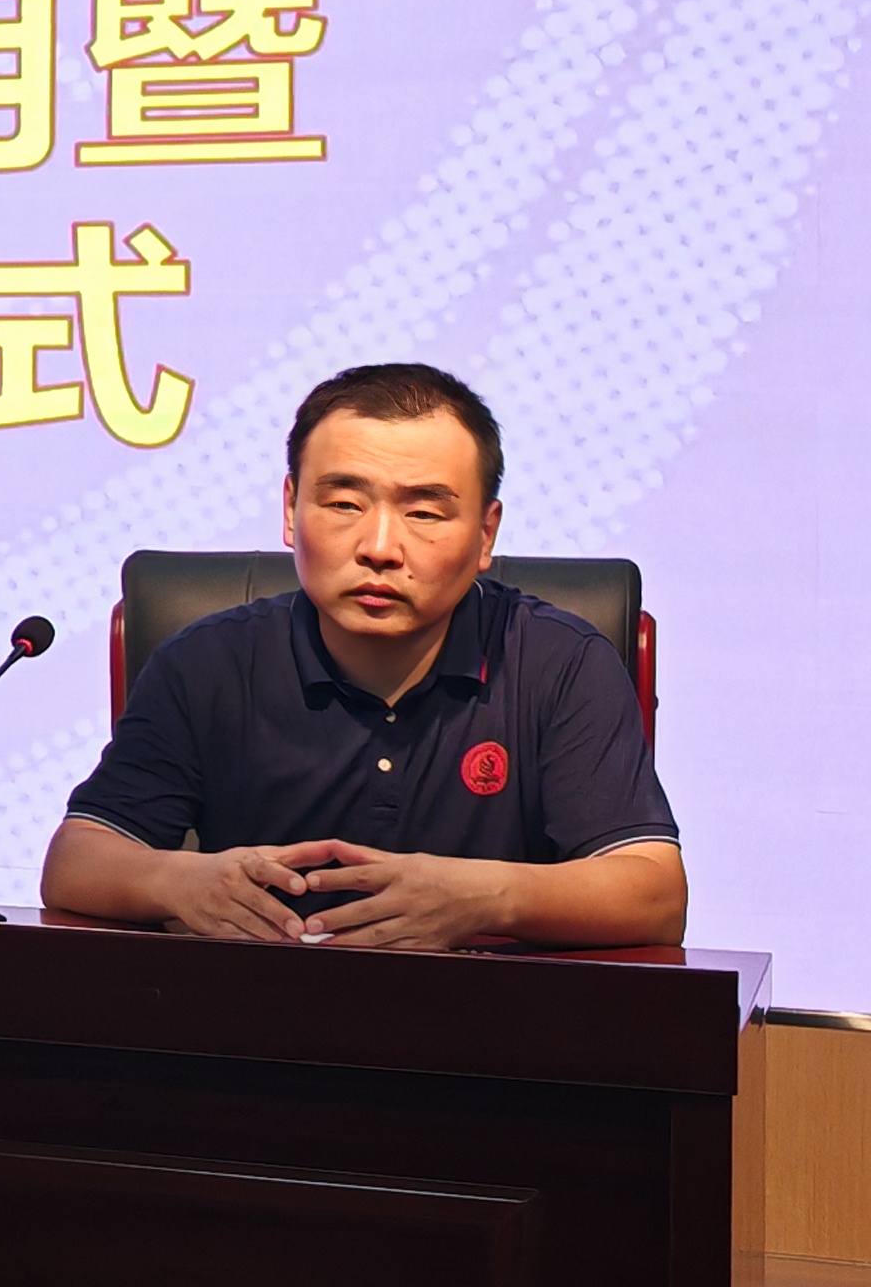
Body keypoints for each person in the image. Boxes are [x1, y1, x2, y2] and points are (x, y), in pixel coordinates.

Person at [40, 362, 683, 950]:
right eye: (344, 504)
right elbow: (76, 861)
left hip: (493, 1023)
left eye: (424, 512)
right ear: (291, 509)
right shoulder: (207, 663)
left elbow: (654, 894)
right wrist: (179, 881)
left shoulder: (560, 663)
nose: (379, 547)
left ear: (486, 534)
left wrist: (484, 897)